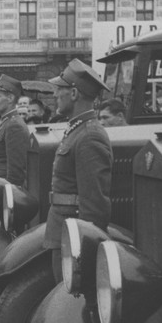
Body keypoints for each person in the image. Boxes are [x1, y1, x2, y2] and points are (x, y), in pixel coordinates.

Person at [42, 58, 112, 284]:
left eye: (59, 90)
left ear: (73, 94)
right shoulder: (77, 129)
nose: (54, 96)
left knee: (70, 302)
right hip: (63, 229)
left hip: (73, 237)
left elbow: (94, 204)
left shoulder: (89, 135)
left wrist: (85, 251)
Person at [0, 74, 30, 187]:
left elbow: (15, 174)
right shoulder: (7, 122)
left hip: (6, 189)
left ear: (10, 98)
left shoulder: (14, 125)